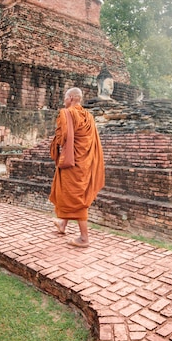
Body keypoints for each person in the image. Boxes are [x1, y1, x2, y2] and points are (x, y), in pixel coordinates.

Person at [49, 87, 105, 247]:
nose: (64, 101)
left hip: (72, 164)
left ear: (72, 97)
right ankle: (62, 224)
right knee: (71, 194)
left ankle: (84, 238)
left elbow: (62, 138)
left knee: (75, 197)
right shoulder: (89, 116)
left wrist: (55, 143)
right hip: (85, 162)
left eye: (66, 98)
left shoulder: (67, 113)